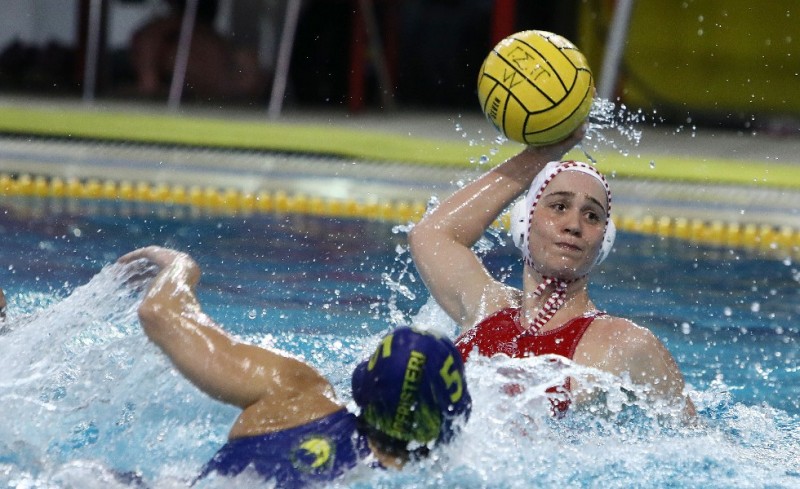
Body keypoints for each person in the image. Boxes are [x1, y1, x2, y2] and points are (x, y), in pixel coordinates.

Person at [117, 246, 471, 486]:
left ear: (365, 385)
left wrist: (179, 266)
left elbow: (159, 313)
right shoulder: (453, 475)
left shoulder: (295, 398)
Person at [408, 129, 696, 420]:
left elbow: (694, 439)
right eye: (559, 206)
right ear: (525, 220)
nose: (574, 225)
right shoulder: (485, 306)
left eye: (592, 216)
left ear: (604, 241)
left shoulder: (625, 344)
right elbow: (430, 233)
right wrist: (542, 154)